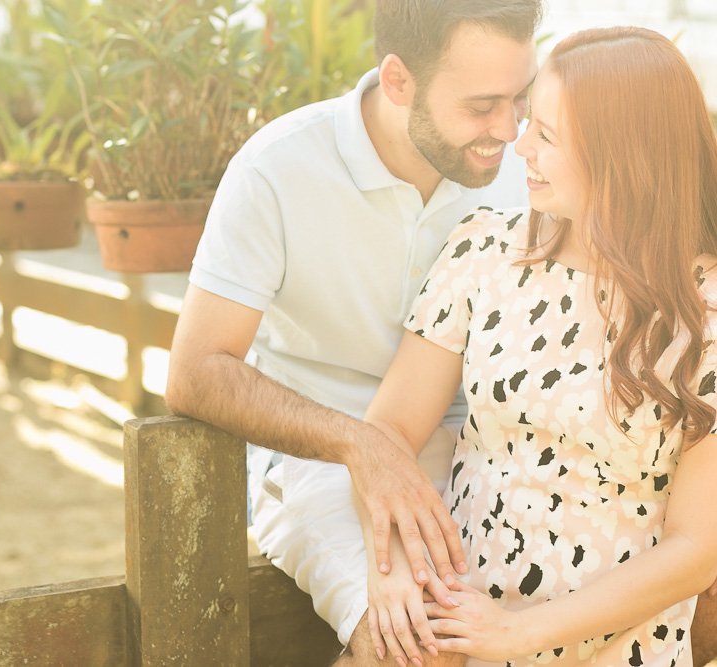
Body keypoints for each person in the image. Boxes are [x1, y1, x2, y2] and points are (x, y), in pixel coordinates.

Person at [166, 0, 541, 663]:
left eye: (522, 97)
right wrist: (363, 445)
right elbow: (196, 370)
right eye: (483, 105)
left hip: (491, 451)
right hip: (320, 458)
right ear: (398, 81)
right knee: (421, 640)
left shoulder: (528, 168)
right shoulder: (277, 168)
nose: (509, 129)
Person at [356, 26, 717, 666]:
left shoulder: (706, 311)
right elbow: (386, 433)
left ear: (621, 156)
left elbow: (696, 550)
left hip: (618, 651)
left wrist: (518, 635)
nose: (518, 145)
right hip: (453, 631)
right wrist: (394, 576)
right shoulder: (482, 251)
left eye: (545, 135)